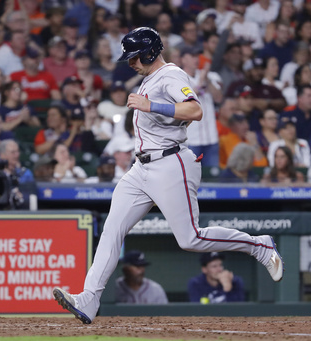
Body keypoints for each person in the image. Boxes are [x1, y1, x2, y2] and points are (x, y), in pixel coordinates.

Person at [52, 27, 284, 325]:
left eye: (134, 56)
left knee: (191, 239)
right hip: (141, 168)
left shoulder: (171, 74)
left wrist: (151, 105)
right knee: (112, 229)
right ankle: (89, 297)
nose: (131, 62)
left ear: (149, 51)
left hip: (171, 163)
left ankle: (259, 245)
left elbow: (195, 110)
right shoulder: (149, 79)